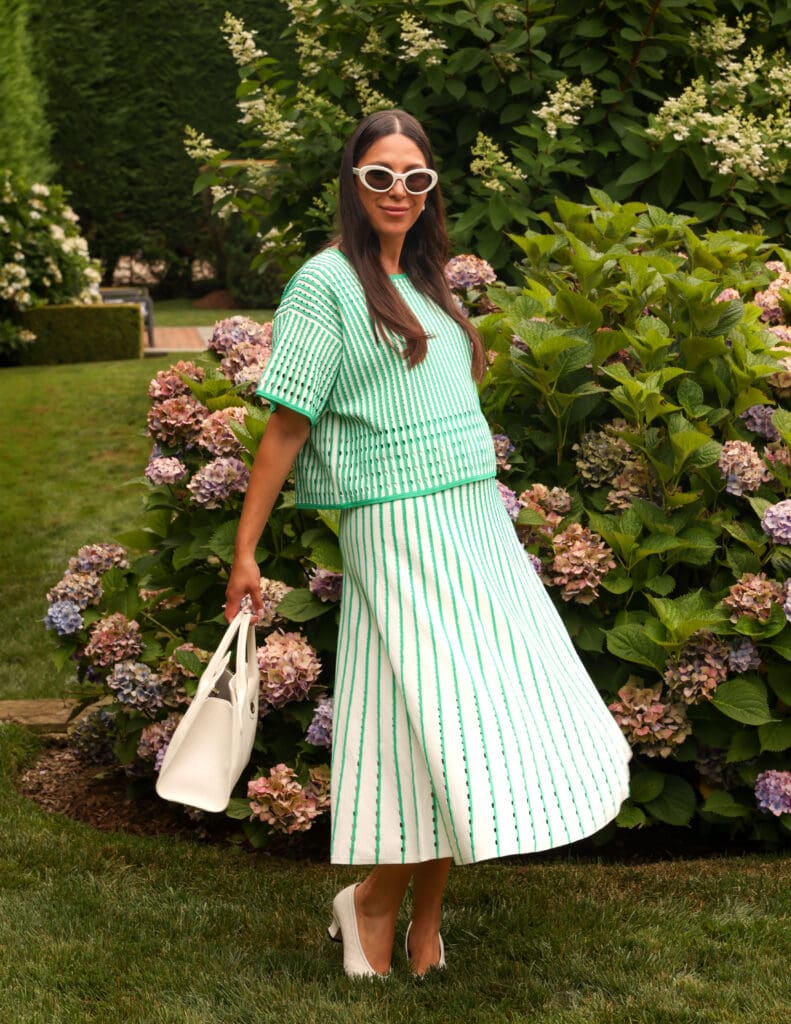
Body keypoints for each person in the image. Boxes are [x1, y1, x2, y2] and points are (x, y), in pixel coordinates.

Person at [224, 109, 632, 978]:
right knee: (450, 712)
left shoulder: (427, 280)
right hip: (395, 523)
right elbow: (288, 425)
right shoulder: (324, 284)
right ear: (351, 182)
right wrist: (245, 552)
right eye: (380, 175)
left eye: (415, 176)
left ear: (431, 187)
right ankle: (373, 901)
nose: (399, 192)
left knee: (440, 719)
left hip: (471, 515)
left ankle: (419, 923)